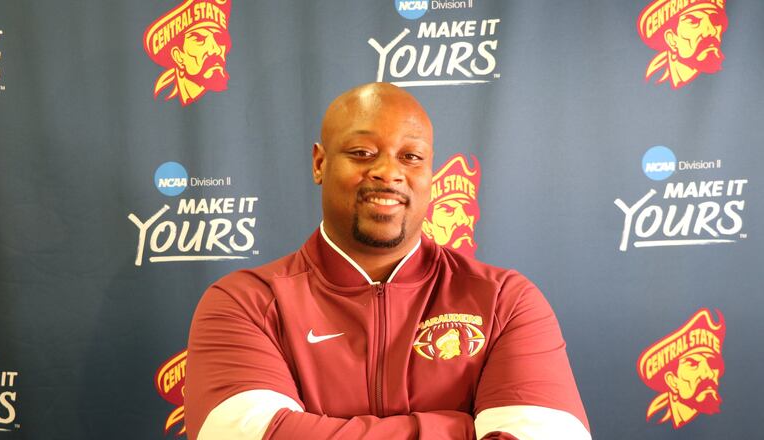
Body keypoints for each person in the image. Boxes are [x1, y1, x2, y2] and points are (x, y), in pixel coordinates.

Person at [185, 82, 591, 439]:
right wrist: (460, 427)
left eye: (411, 157)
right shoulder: (245, 303)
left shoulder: (505, 300)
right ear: (320, 163)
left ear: (431, 172)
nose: (388, 172)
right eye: (362, 152)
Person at [638, 309, 725, 429]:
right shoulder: (655, 419)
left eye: (712, 363)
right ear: (672, 381)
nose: (709, 373)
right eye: (693, 364)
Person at [143, 0, 232, 106]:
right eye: (199, 39)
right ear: (178, 56)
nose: (216, 49)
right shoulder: (160, 99)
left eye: (219, 38)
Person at [638, 0, 727, 89]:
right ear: (671, 39)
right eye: (693, 21)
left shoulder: (733, 74)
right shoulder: (655, 78)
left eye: (715, 21)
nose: (711, 31)